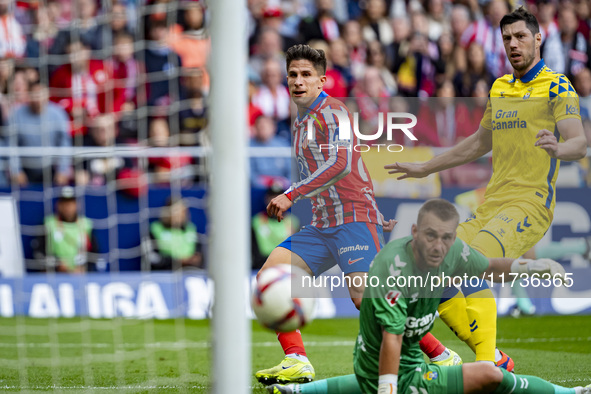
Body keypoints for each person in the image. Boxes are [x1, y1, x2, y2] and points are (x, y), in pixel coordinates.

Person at [385, 7, 587, 370]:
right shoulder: (499, 87)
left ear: (538, 39)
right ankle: (492, 358)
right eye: (507, 38)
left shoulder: (557, 85)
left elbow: (579, 141)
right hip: (491, 206)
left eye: (521, 36)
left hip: (529, 205)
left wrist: (560, 148)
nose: (513, 44)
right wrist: (425, 167)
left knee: (469, 265)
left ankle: (484, 366)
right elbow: (479, 143)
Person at [267, 199, 590, 394]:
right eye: (432, 236)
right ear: (415, 233)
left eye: (447, 238)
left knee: (491, 371)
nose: (439, 246)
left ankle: (298, 389)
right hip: (386, 370)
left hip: (413, 368)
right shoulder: (392, 273)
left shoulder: (450, 253)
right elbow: (391, 341)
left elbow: (489, 266)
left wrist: (533, 267)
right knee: (488, 375)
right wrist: (388, 388)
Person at [255, 44, 395, 385]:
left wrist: (291, 194)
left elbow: (342, 162)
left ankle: (438, 353)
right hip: (322, 224)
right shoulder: (301, 121)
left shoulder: (336, 113)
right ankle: (296, 359)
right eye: (293, 75)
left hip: (353, 217)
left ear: (322, 80)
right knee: (271, 273)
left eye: (306, 75)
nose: (298, 81)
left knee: (367, 300)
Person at [8, 81, 71, 186]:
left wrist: (62, 170)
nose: (38, 100)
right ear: (28, 95)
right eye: (34, 95)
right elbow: (11, 145)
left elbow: (65, 144)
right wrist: (16, 171)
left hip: (52, 169)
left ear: (47, 95)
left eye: (41, 95)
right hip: (25, 169)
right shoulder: (16, 115)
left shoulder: (58, 114)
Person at [31, 186, 98, 273]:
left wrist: (83, 268)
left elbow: (95, 252)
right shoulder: (49, 223)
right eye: (64, 203)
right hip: (55, 274)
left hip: (81, 274)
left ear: (77, 205)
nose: (68, 207)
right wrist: (57, 263)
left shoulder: (86, 224)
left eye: (71, 203)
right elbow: (39, 251)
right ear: (58, 205)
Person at [144, 197, 203, 271]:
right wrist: (176, 261)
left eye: (183, 211)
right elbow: (152, 257)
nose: (181, 215)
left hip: (190, 272)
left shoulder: (191, 229)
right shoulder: (155, 229)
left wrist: (193, 259)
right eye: (177, 211)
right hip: (165, 274)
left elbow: (199, 253)